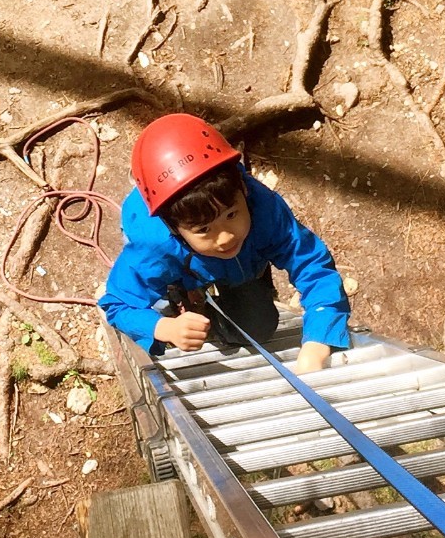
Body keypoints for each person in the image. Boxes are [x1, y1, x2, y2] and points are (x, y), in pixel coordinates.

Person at [101, 114, 350, 374]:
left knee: (257, 326)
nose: (225, 237)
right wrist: (163, 328)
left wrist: (318, 342)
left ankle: (217, 314)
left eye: (231, 215)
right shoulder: (153, 247)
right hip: (179, 263)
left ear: (242, 188)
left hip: (244, 259)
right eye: (204, 229)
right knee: (163, 301)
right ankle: (180, 297)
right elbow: (118, 303)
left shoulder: (262, 208)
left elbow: (311, 264)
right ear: (173, 227)